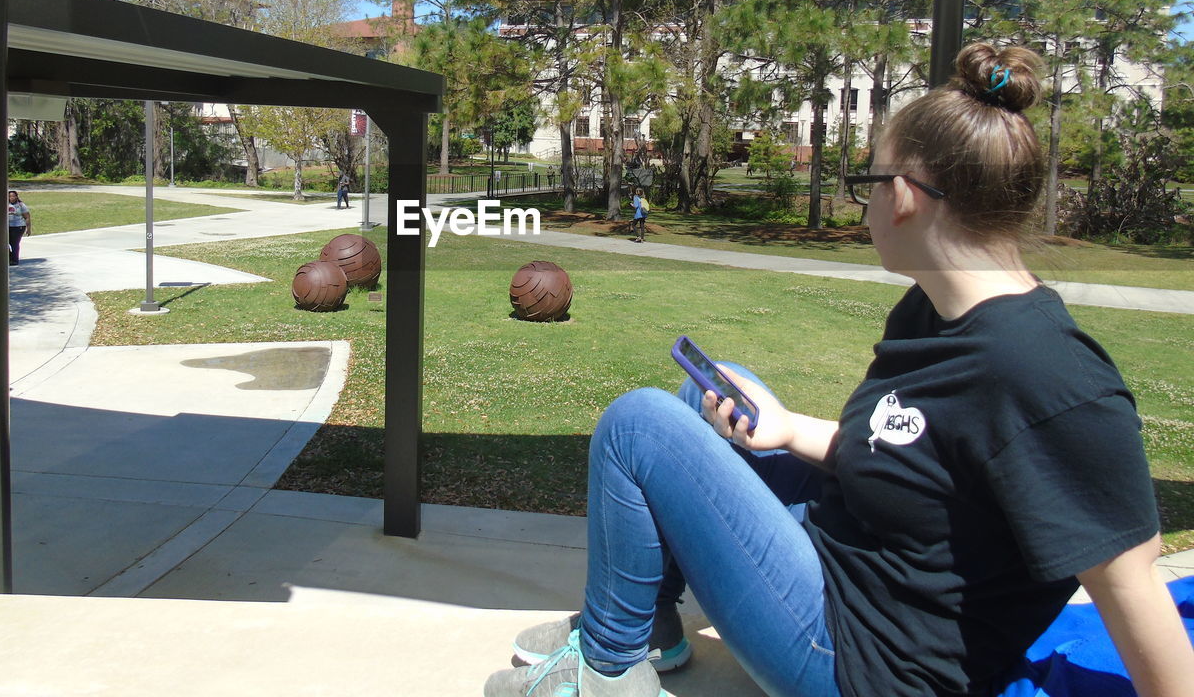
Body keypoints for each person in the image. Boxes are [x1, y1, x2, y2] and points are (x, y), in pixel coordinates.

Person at [485, 43, 1194, 697]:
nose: (866, 206)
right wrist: (788, 429)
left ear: (907, 193)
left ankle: (603, 670)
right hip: (844, 564)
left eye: (869, 181)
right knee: (713, 380)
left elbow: (1128, 582)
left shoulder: (1052, 379)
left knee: (638, 426)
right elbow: (901, 452)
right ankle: (648, 632)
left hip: (862, 661)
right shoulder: (930, 312)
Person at [7, 189, 32, 266]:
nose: (11, 198)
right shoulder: (5, 204)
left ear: (16, 197)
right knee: (6, 243)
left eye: (13, 196)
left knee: (14, 243)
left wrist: (28, 229)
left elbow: (27, 217)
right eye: (10, 196)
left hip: (19, 227)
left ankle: (14, 260)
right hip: (8, 227)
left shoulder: (21, 205)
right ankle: (9, 258)